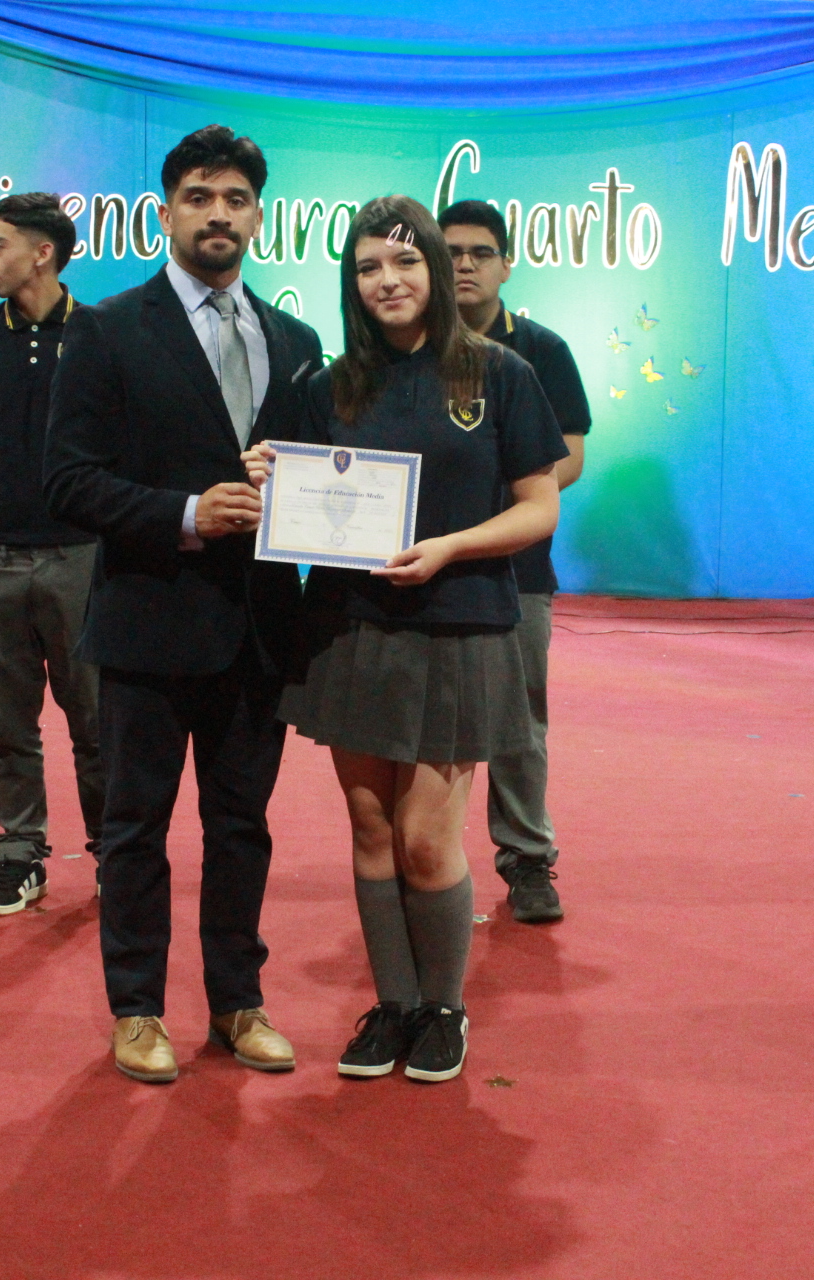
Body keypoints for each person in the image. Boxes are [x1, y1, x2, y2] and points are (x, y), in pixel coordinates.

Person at [248, 195, 566, 1084]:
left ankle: (443, 1008)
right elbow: (295, 500)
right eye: (367, 268)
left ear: (434, 265)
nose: (386, 281)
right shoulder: (326, 387)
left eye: (404, 262)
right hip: (349, 627)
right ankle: (392, 1006)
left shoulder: (499, 374)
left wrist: (450, 549)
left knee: (427, 837)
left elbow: (539, 506)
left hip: (461, 625)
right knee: (369, 825)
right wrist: (266, 473)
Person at [45, 125, 323, 1084]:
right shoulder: (107, 329)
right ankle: (137, 1010)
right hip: (147, 624)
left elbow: (319, 482)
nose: (218, 214)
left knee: (242, 829)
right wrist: (187, 515)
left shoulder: (297, 342)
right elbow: (67, 483)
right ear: (166, 212)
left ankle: (239, 1002)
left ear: (258, 216)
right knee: (136, 831)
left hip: (259, 633)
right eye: (199, 197)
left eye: (235, 199)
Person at [0, 191, 106, 915]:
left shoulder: (102, 336)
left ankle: (113, 852)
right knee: (10, 726)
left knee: (96, 721)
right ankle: (19, 853)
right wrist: (4, 504)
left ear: (43, 253)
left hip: (83, 560)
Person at [439, 199, 589, 925]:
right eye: (450, 252)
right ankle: (421, 861)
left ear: (506, 265)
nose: (464, 264)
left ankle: (527, 859)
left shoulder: (542, 351)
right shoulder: (405, 348)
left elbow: (572, 458)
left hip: (518, 570)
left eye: (480, 252)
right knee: (425, 722)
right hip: (421, 568)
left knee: (520, 722)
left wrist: (499, 509)